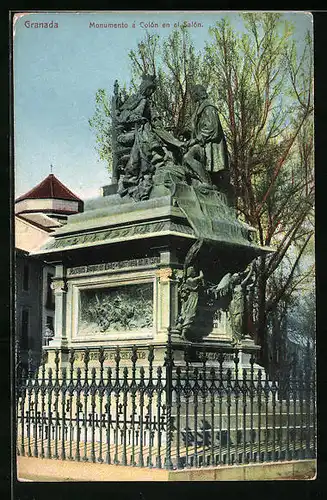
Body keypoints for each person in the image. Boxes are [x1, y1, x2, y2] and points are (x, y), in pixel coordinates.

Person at [183, 84, 229, 184]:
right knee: (185, 159)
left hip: (208, 145)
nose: (192, 97)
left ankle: (206, 182)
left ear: (197, 94)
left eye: (193, 94)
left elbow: (212, 129)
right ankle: (201, 181)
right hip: (202, 144)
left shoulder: (208, 107)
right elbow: (196, 127)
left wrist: (195, 140)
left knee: (188, 157)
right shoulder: (199, 108)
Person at [176, 266, 204, 339]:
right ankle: (183, 332)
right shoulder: (189, 280)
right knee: (190, 314)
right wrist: (201, 271)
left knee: (188, 313)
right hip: (192, 298)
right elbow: (200, 277)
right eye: (193, 271)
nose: (194, 273)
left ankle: (182, 329)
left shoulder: (189, 280)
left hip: (191, 298)